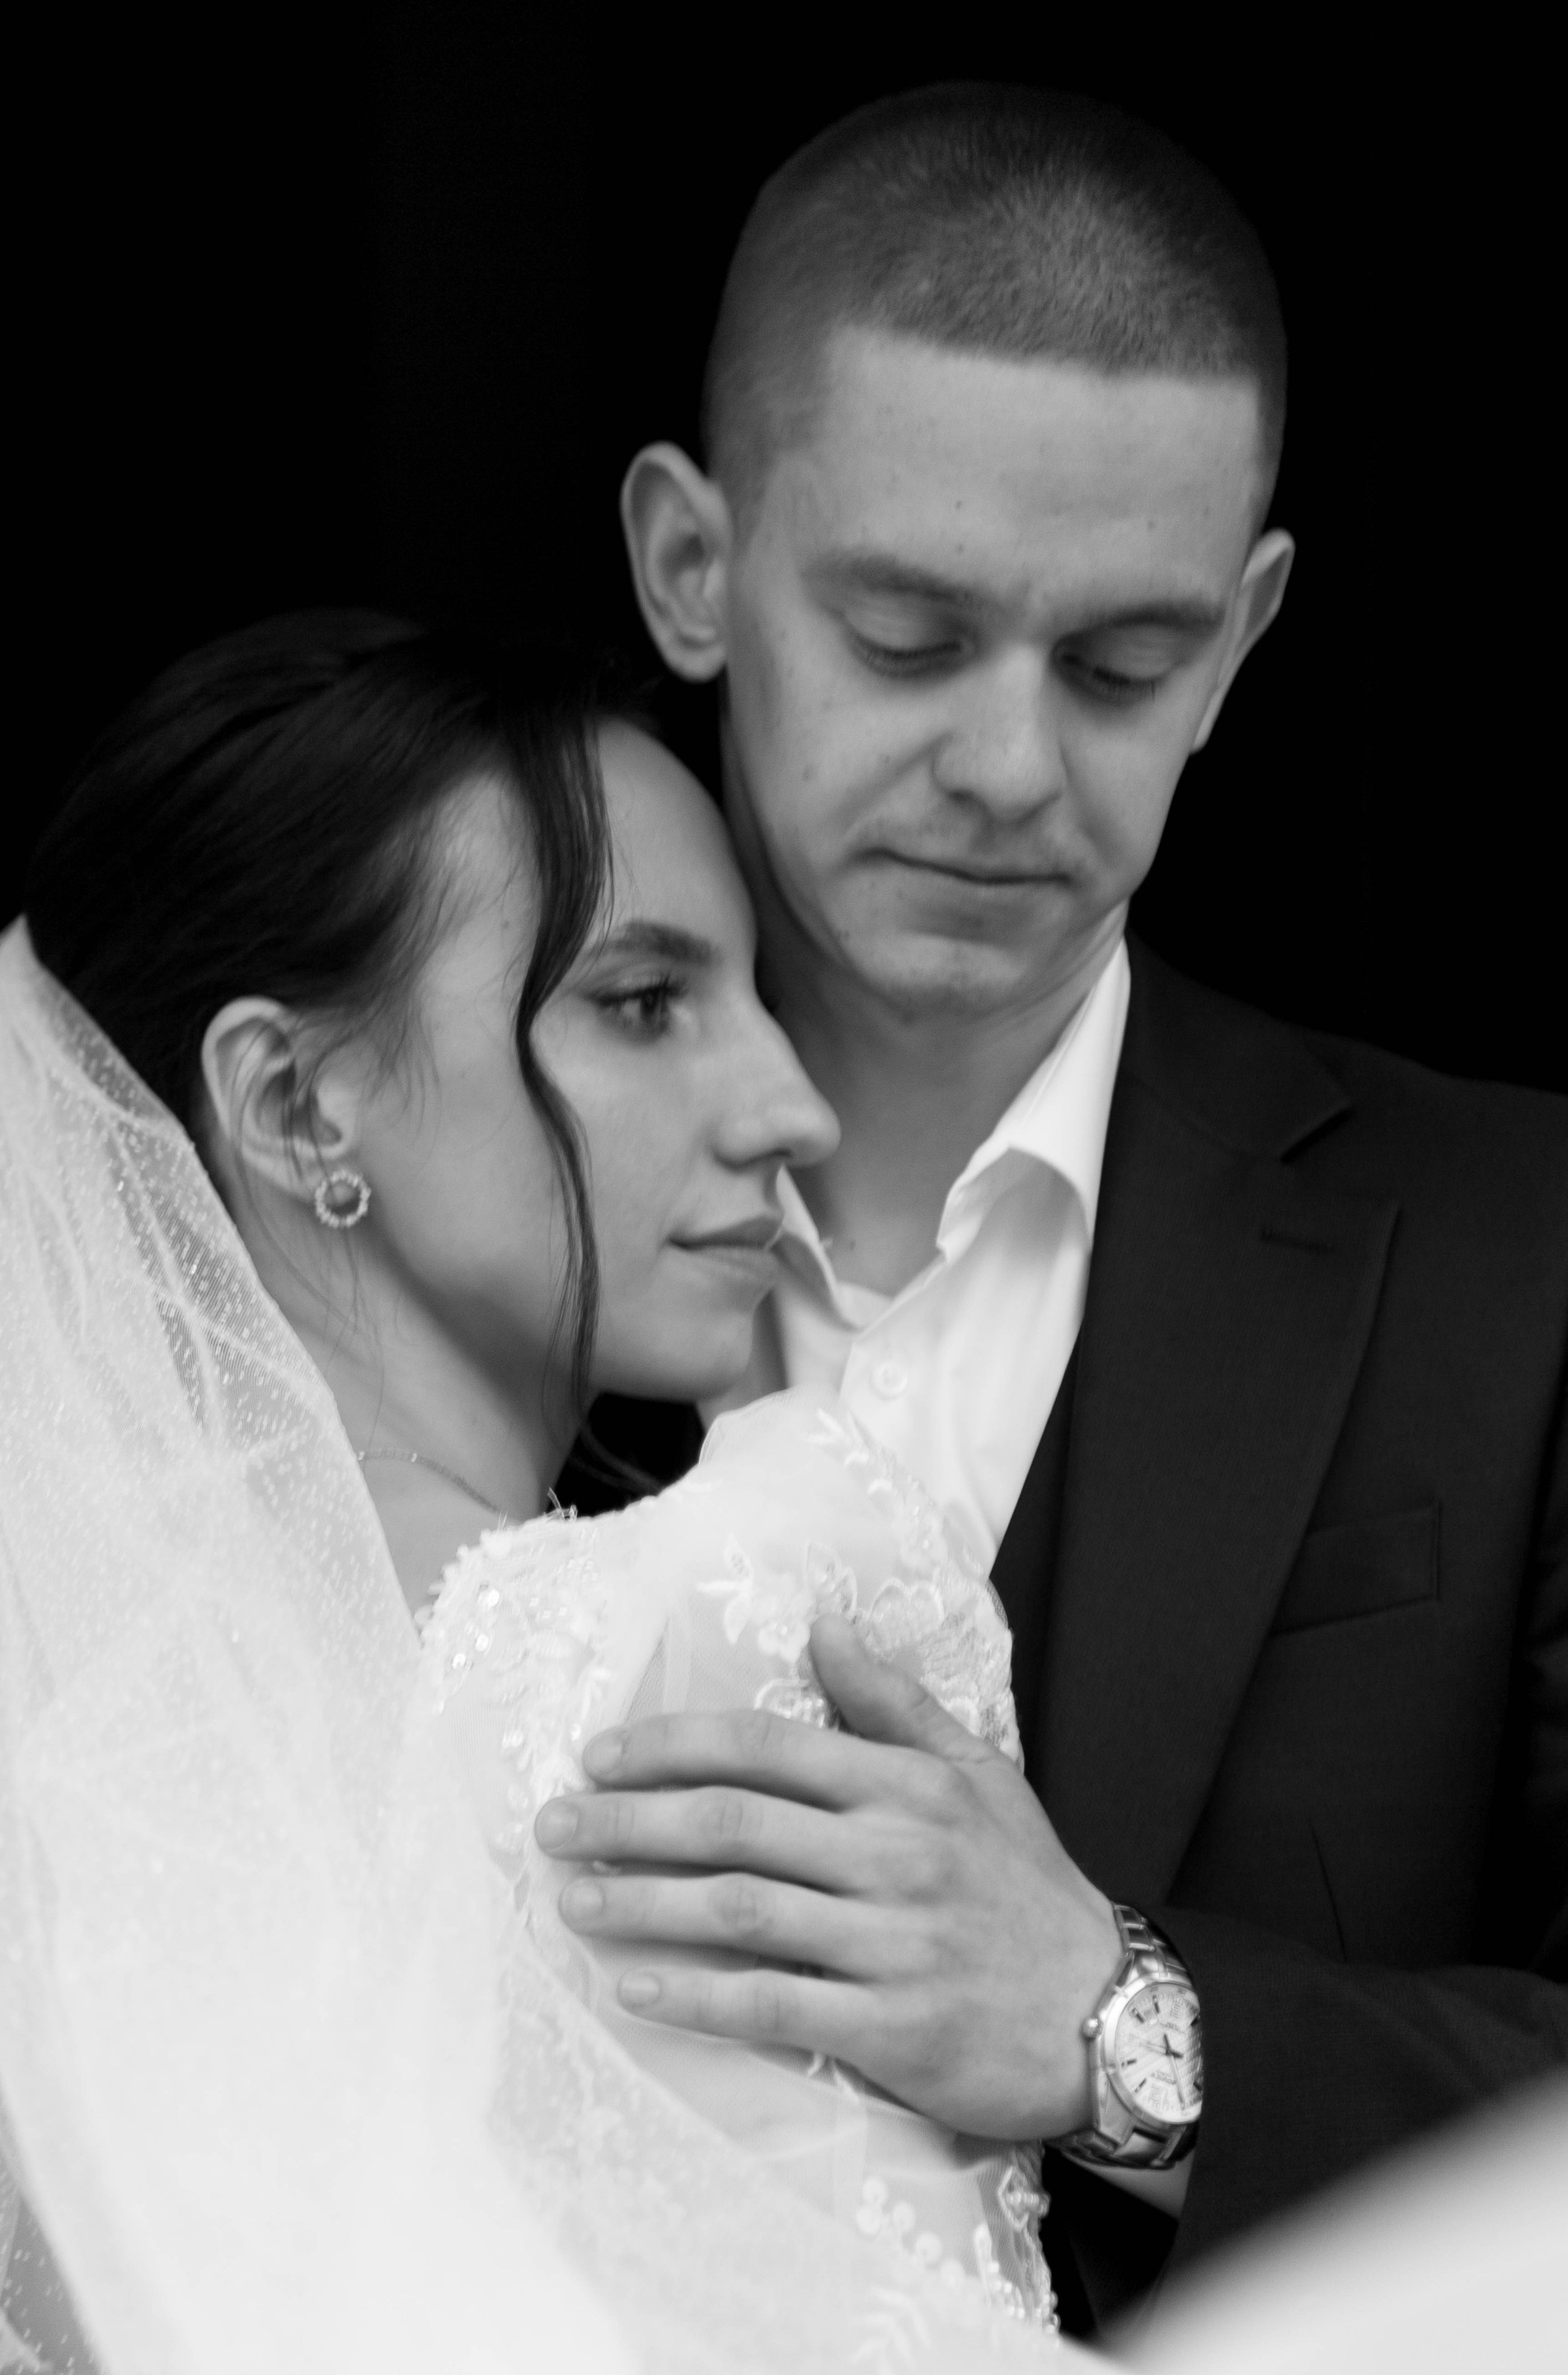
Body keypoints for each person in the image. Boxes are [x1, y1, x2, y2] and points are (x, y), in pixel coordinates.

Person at [530, 82, 1568, 2337]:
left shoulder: (1527, 1253)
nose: (1011, 767)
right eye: (908, 637)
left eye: (1120, 666)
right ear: (691, 566)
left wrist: (1125, 2023)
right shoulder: (424, 1184)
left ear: (1246, 634)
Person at [0, 609, 1073, 2369]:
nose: (791, 1108)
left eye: (755, 998)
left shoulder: (84, 1748)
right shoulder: (682, 1629)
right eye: (643, 1004)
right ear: (297, 1104)